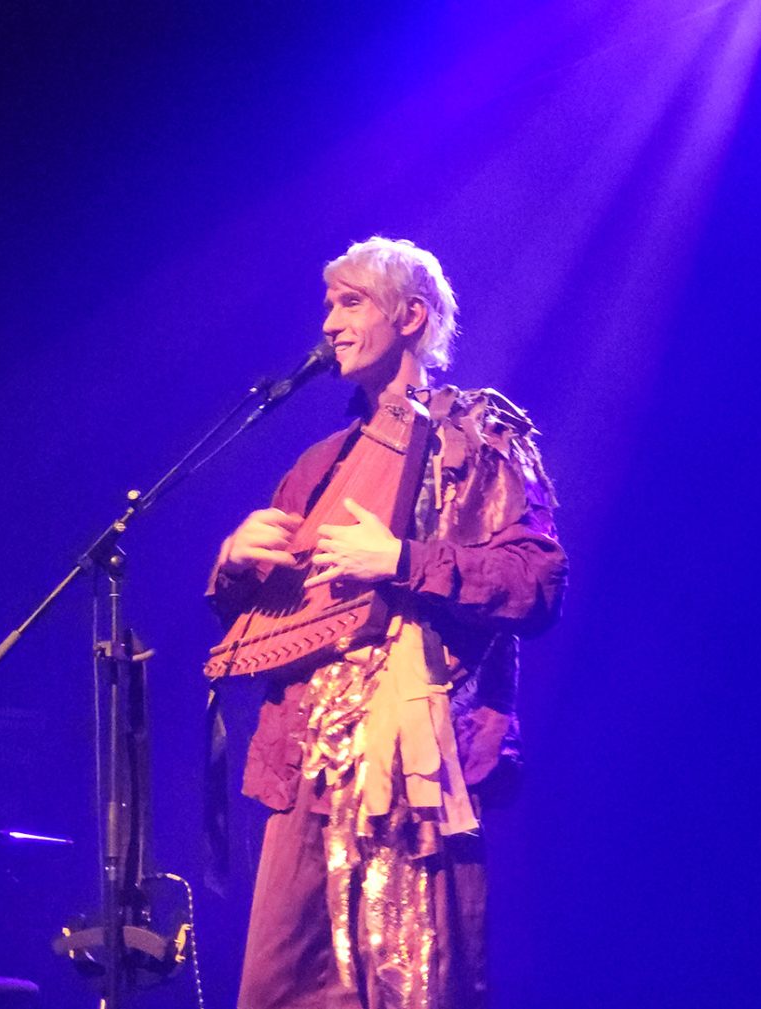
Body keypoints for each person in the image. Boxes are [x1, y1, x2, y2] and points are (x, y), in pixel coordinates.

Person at [207, 237, 567, 1008]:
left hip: (410, 761)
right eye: (328, 304)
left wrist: (400, 557)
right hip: (310, 759)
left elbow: (535, 584)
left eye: (351, 302)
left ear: (412, 316)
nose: (329, 323)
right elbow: (264, 615)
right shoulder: (318, 464)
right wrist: (234, 559)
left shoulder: (474, 438)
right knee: (282, 982)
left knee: (410, 974)